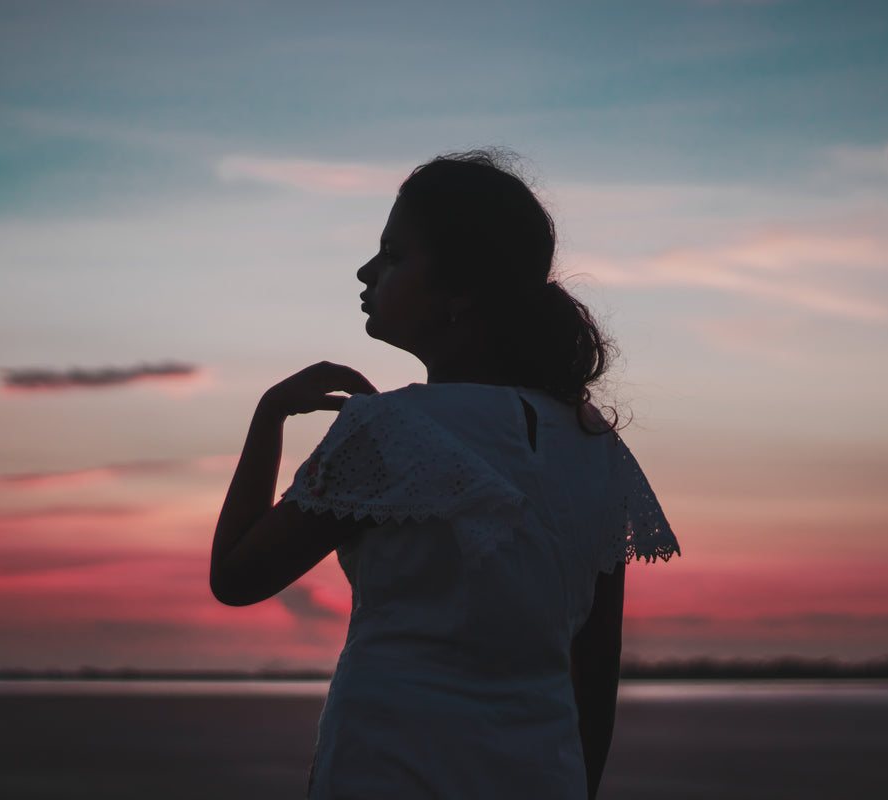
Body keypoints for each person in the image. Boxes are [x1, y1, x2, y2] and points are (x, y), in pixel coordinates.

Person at [210, 150, 679, 799]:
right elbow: (594, 677)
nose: (367, 271)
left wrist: (268, 420)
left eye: (395, 255)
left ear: (461, 290)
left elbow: (236, 577)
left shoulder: (394, 431)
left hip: (388, 769)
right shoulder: (595, 447)